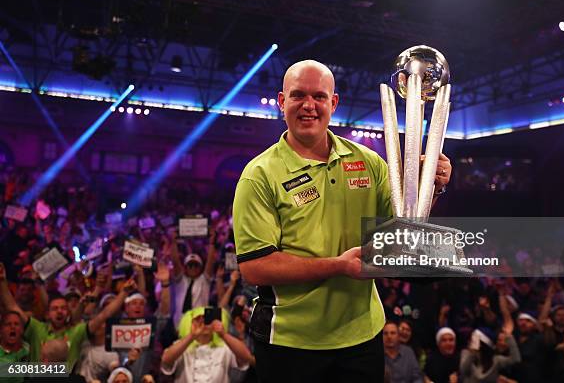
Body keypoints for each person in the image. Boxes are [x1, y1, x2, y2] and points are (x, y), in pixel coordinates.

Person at [233, 60, 451, 382]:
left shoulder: (369, 162)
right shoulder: (259, 175)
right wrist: (338, 265)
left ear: (333, 103)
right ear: (282, 102)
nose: (309, 106)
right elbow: (255, 267)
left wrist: (431, 187)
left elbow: (403, 232)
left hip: (361, 338)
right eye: (298, 96)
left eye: (319, 97)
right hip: (291, 343)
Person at [0, 262, 135, 372]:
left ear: (69, 313)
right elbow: (13, 307)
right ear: (47, 314)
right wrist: (2, 281)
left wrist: (124, 292)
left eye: (63, 308)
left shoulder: (76, 332)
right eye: (55, 309)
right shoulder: (36, 328)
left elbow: (105, 315)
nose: (59, 312)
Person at [160, 310, 252, 383]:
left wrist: (223, 334)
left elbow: (246, 357)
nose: (203, 322)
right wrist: (192, 336)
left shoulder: (225, 347)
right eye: (198, 318)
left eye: (207, 318)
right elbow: (166, 360)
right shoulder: (182, 346)